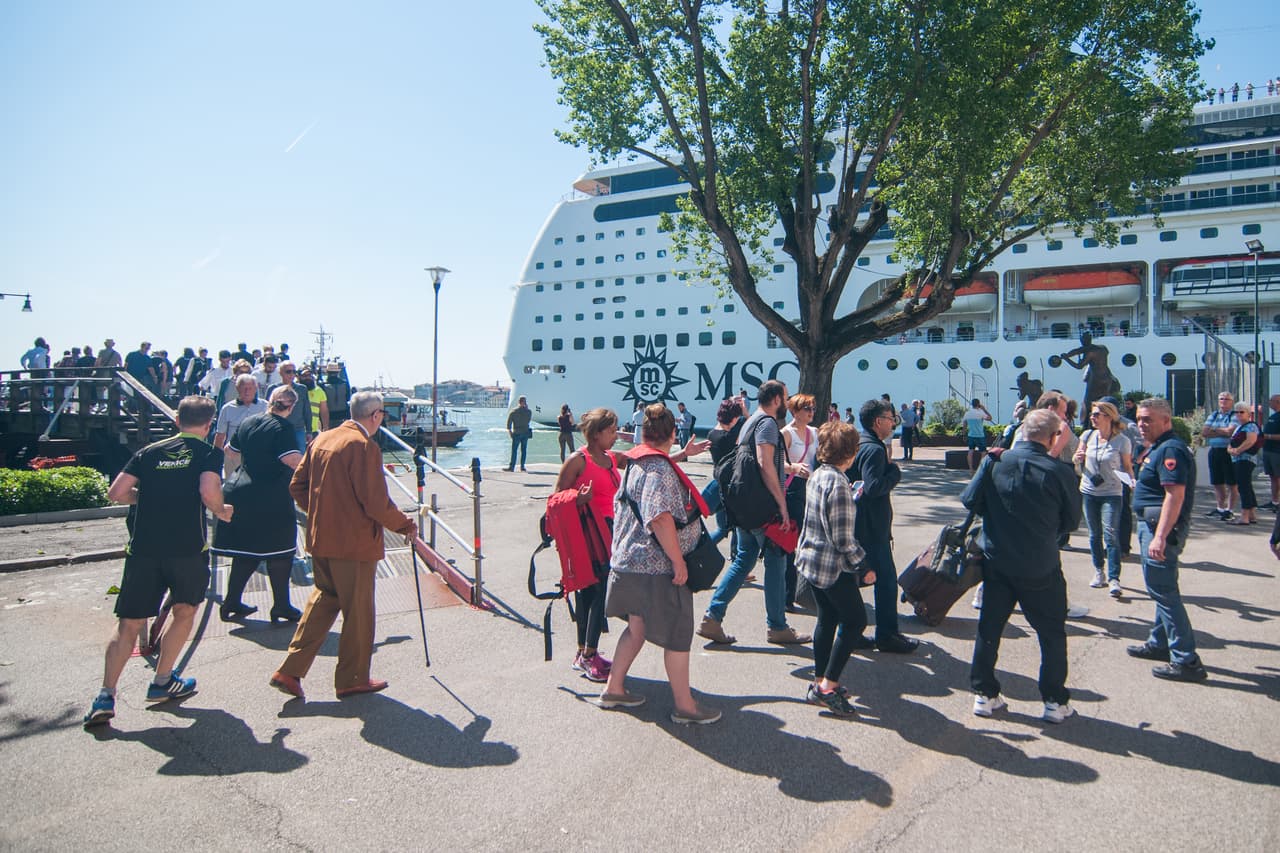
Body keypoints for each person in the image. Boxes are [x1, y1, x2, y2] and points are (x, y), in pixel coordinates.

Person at [82, 396, 234, 727]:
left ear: (177, 421)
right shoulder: (208, 453)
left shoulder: (148, 452)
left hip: (145, 550)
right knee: (184, 611)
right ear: (208, 426)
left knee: (129, 623)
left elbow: (117, 492)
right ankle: (163, 679)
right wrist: (221, 511)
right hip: (187, 549)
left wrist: (149, 497)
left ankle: (105, 695)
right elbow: (209, 492)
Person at [269, 391, 417, 701]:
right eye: (382, 417)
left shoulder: (323, 439)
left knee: (323, 601)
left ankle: (290, 670)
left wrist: (324, 512)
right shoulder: (363, 446)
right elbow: (376, 502)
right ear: (375, 416)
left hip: (322, 538)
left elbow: (297, 485)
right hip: (354, 544)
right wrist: (405, 524)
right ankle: (351, 678)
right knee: (358, 612)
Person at [599, 403, 720, 725]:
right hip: (654, 567)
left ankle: (614, 688)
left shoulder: (636, 464)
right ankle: (685, 706)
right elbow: (660, 518)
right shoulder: (658, 470)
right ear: (672, 433)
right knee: (679, 635)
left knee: (636, 628)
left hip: (627, 562)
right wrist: (679, 563)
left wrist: (682, 454)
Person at [962, 408, 1081, 723]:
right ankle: (1054, 699)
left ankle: (984, 693)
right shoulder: (1059, 471)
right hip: (1039, 562)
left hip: (996, 558)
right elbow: (1071, 522)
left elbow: (969, 499)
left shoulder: (995, 461)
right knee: (1051, 633)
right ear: (1053, 437)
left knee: (990, 628)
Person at [698, 379, 811, 647]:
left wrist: (791, 468)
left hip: (743, 503)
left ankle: (712, 617)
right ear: (775, 399)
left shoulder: (749, 422)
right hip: (763, 505)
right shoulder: (769, 423)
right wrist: (781, 504)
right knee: (776, 559)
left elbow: (755, 459)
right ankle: (777, 626)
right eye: (785, 397)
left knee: (745, 558)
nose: (787, 401)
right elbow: (764, 463)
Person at [795, 421, 871, 719]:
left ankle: (819, 680)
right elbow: (842, 539)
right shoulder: (839, 485)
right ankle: (828, 685)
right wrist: (863, 566)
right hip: (832, 566)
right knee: (855, 621)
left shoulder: (818, 476)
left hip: (811, 561)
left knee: (827, 618)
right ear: (850, 453)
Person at [1127, 397, 1206, 682]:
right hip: (1153, 525)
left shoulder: (1170, 449)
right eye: (1138, 419)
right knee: (1162, 590)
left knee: (1164, 593)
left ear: (1166, 420)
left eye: (1148, 419)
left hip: (1160, 529)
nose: (1141, 424)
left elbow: (1175, 495)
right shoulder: (1158, 448)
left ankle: (1186, 660)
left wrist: (1160, 537)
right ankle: (1160, 643)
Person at [213, 385, 305, 623]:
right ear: (292, 407)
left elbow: (230, 451)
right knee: (281, 551)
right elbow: (291, 459)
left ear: (269, 401)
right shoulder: (283, 427)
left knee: (247, 551)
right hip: (270, 494)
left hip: (241, 490)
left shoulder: (248, 422)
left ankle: (231, 602)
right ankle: (282, 606)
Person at [553, 408, 628, 682]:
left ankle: (584, 653)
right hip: (586, 535)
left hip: (609, 532)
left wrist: (681, 455)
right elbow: (556, 497)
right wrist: (577, 499)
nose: (616, 435)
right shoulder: (577, 461)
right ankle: (588, 656)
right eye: (611, 431)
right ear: (596, 434)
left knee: (591, 593)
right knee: (594, 593)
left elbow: (640, 458)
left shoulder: (609, 458)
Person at [851, 398, 918, 654]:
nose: (893, 422)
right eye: (891, 418)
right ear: (878, 421)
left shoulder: (858, 443)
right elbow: (873, 486)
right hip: (872, 527)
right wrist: (894, 473)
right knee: (887, 581)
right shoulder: (875, 450)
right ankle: (887, 634)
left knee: (854, 579)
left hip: (857, 523)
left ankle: (853, 630)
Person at [1073, 401, 1133, 598]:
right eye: (1092, 414)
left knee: (1111, 534)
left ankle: (1114, 578)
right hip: (1089, 491)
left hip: (1112, 492)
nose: (1092, 417)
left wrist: (1132, 481)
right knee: (1094, 534)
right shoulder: (1087, 436)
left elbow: (1127, 466)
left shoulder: (1122, 441)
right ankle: (1099, 571)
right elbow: (1076, 459)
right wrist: (1077, 458)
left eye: (1097, 414)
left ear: (1109, 416)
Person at [781, 393, 818, 609]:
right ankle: (788, 595)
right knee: (792, 543)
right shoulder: (786, 433)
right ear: (794, 411)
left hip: (812, 487)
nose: (811, 412)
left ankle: (807, 589)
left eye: (812, 408)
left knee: (810, 539)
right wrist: (793, 467)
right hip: (793, 489)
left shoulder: (814, 432)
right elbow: (774, 462)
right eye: (807, 409)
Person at [702, 397, 745, 544]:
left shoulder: (712, 434)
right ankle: (735, 556)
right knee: (736, 527)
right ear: (733, 418)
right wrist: (743, 409)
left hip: (718, 482)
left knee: (722, 528)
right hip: (732, 487)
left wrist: (730, 405)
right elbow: (750, 423)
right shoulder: (730, 436)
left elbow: (722, 424)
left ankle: (702, 551)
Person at [1203, 391, 1240, 520]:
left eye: (1226, 399)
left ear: (1232, 401)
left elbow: (1230, 432)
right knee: (1217, 481)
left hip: (1228, 451)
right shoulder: (1213, 415)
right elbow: (1204, 432)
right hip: (1214, 450)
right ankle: (1220, 508)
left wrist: (1214, 431)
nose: (1223, 401)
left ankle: (1230, 510)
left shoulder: (1235, 415)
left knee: (1232, 482)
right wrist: (1221, 431)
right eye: (1221, 399)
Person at [214, 374, 266, 462]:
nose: (247, 392)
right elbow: (220, 434)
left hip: (258, 454)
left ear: (255, 388)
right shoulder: (227, 408)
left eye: (250, 388)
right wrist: (216, 456)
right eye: (243, 388)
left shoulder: (266, 406)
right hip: (233, 453)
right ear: (237, 388)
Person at [1227, 401, 1261, 525]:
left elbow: (1251, 441)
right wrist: (1230, 449)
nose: (1239, 414)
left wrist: (1237, 450)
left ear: (1248, 414)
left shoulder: (1251, 426)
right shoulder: (1238, 427)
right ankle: (1252, 514)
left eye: (1242, 412)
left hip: (1246, 460)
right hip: (1237, 460)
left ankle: (1244, 516)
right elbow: (1231, 442)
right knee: (1246, 486)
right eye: (1237, 412)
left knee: (1243, 487)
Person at [266, 361, 312, 451]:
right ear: (280, 373)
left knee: (299, 459)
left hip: (298, 430)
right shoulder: (272, 389)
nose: (292, 374)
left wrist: (309, 431)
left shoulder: (302, 389)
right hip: (277, 429)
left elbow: (307, 410)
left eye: (294, 372)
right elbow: (267, 410)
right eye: (288, 371)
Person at [298, 366, 330, 437]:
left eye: (309, 375)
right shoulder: (295, 391)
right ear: (299, 377)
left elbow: (324, 411)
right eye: (304, 376)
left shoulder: (319, 391)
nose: (307, 378)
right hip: (298, 430)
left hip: (314, 431)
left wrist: (325, 428)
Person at [962, 398, 992, 472]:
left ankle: (971, 468)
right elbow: (990, 418)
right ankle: (979, 468)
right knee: (983, 452)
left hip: (971, 435)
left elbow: (964, 425)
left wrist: (964, 435)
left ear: (972, 404)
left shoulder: (967, 413)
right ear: (978, 404)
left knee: (970, 451)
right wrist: (984, 409)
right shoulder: (981, 413)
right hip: (980, 436)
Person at [1261, 394, 1280, 510]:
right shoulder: (1273, 416)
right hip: (1268, 450)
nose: (1269, 403)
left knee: (1278, 477)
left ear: (1278, 402)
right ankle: (1274, 502)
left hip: (1277, 452)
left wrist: (1267, 436)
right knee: (1273, 477)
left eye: (1271, 401)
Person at [505, 395, 533, 471]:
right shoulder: (528, 412)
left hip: (516, 432)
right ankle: (522, 466)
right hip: (525, 432)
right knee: (523, 450)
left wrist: (510, 432)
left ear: (519, 402)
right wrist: (526, 409)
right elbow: (529, 420)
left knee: (514, 451)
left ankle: (512, 467)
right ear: (525, 402)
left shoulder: (513, 411)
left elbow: (509, 423)